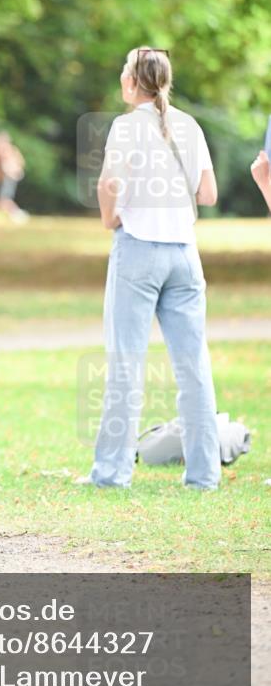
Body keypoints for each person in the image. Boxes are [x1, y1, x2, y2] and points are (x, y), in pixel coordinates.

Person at [82, 46, 221, 490]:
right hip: (185, 254)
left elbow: (108, 183)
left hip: (138, 250)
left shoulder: (125, 127)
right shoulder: (190, 125)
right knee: (193, 366)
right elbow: (209, 194)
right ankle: (203, 475)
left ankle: (111, 474)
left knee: (126, 364)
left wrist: (110, 218)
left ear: (130, 81)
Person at [0, 131, 27, 221]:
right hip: (0, 179)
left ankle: (18, 214)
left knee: (4, 200)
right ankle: (11, 215)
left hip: (8, 179)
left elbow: (19, 164)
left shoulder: (9, 151)